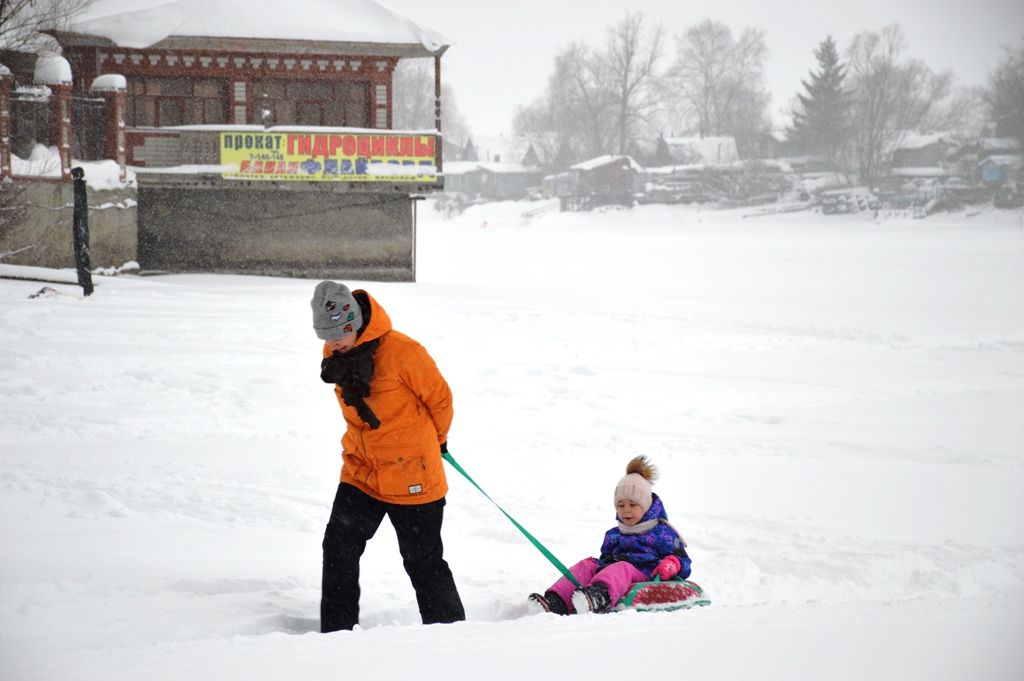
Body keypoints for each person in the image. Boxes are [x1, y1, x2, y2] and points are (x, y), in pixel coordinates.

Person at [311, 280, 465, 632]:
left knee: (423, 562)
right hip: (362, 471)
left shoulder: (403, 352)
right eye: (325, 336)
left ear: (353, 323)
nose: (332, 343)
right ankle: (335, 635)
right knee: (338, 548)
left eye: (337, 334)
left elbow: (440, 401)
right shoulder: (334, 354)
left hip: (412, 475)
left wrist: (435, 444)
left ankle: (452, 637)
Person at [528, 455, 691, 615]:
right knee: (588, 565)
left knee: (622, 567)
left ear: (646, 506)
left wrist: (673, 563)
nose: (626, 510)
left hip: (643, 576)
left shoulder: (662, 532)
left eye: (633, 504)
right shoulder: (614, 534)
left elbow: (684, 562)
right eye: (621, 505)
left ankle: (598, 597)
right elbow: (605, 560)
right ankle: (556, 602)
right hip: (614, 575)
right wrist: (596, 567)